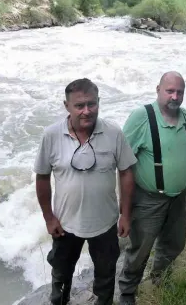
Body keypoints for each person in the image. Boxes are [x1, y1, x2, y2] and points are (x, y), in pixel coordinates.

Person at [34, 78, 137, 305]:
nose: (86, 111)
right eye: (79, 106)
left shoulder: (113, 133)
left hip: (106, 223)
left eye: (92, 104)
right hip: (65, 224)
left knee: (106, 275)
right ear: (67, 106)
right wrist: (49, 217)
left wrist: (126, 214)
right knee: (61, 274)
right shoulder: (51, 135)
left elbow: (127, 172)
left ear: (99, 102)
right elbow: (42, 177)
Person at [118, 71, 186, 305]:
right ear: (158, 89)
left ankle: (159, 277)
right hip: (149, 199)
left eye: (179, 92)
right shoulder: (142, 116)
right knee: (140, 248)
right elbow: (122, 163)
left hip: (179, 197)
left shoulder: (185, 116)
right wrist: (125, 211)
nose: (175, 96)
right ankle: (128, 291)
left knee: (175, 242)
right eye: (170, 91)